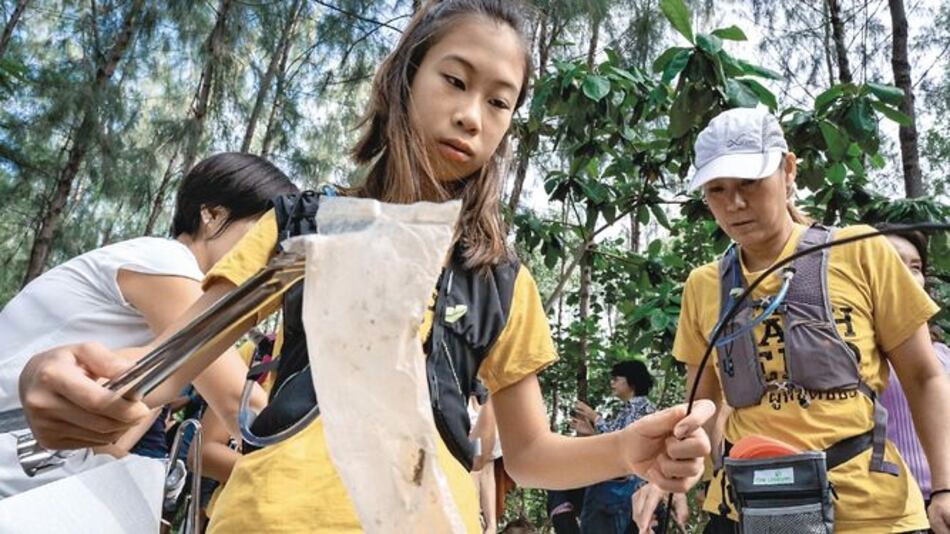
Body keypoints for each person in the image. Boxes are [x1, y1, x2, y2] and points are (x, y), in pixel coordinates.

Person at [18, 2, 714, 532]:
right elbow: (169, 362)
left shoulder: (502, 278)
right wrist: (64, 380)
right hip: (273, 517)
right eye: (455, 80)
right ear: (405, 79)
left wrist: (628, 448)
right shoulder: (300, 224)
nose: (472, 115)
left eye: (498, 102)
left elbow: (527, 455)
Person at [633, 107, 950, 534]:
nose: (735, 203)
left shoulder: (860, 251)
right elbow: (700, 404)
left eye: (749, 182)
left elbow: (923, 375)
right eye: (717, 189)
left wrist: (945, 486)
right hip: (744, 507)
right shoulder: (704, 285)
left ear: (787, 170)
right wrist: (673, 476)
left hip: (868, 511)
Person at [0, 153, 296, 497]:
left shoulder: (160, 352)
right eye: (262, 236)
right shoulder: (166, 260)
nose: (263, 258)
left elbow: (107, 441)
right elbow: (240, 404)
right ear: (212, 216)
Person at [877, 226, 950, 510]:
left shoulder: (943, 355)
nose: (907, 275)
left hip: (943, 499)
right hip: (886, 509)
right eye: (894, 263)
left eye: (916, 267)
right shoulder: (850, 358)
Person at [569, 361, 666, 533]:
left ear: (632, 381)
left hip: (630, 489)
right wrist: (591, 432)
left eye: (616, 378)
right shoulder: (630, 410)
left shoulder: (640, 408)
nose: (612, 383)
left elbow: (623, 443)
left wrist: (594, 417)